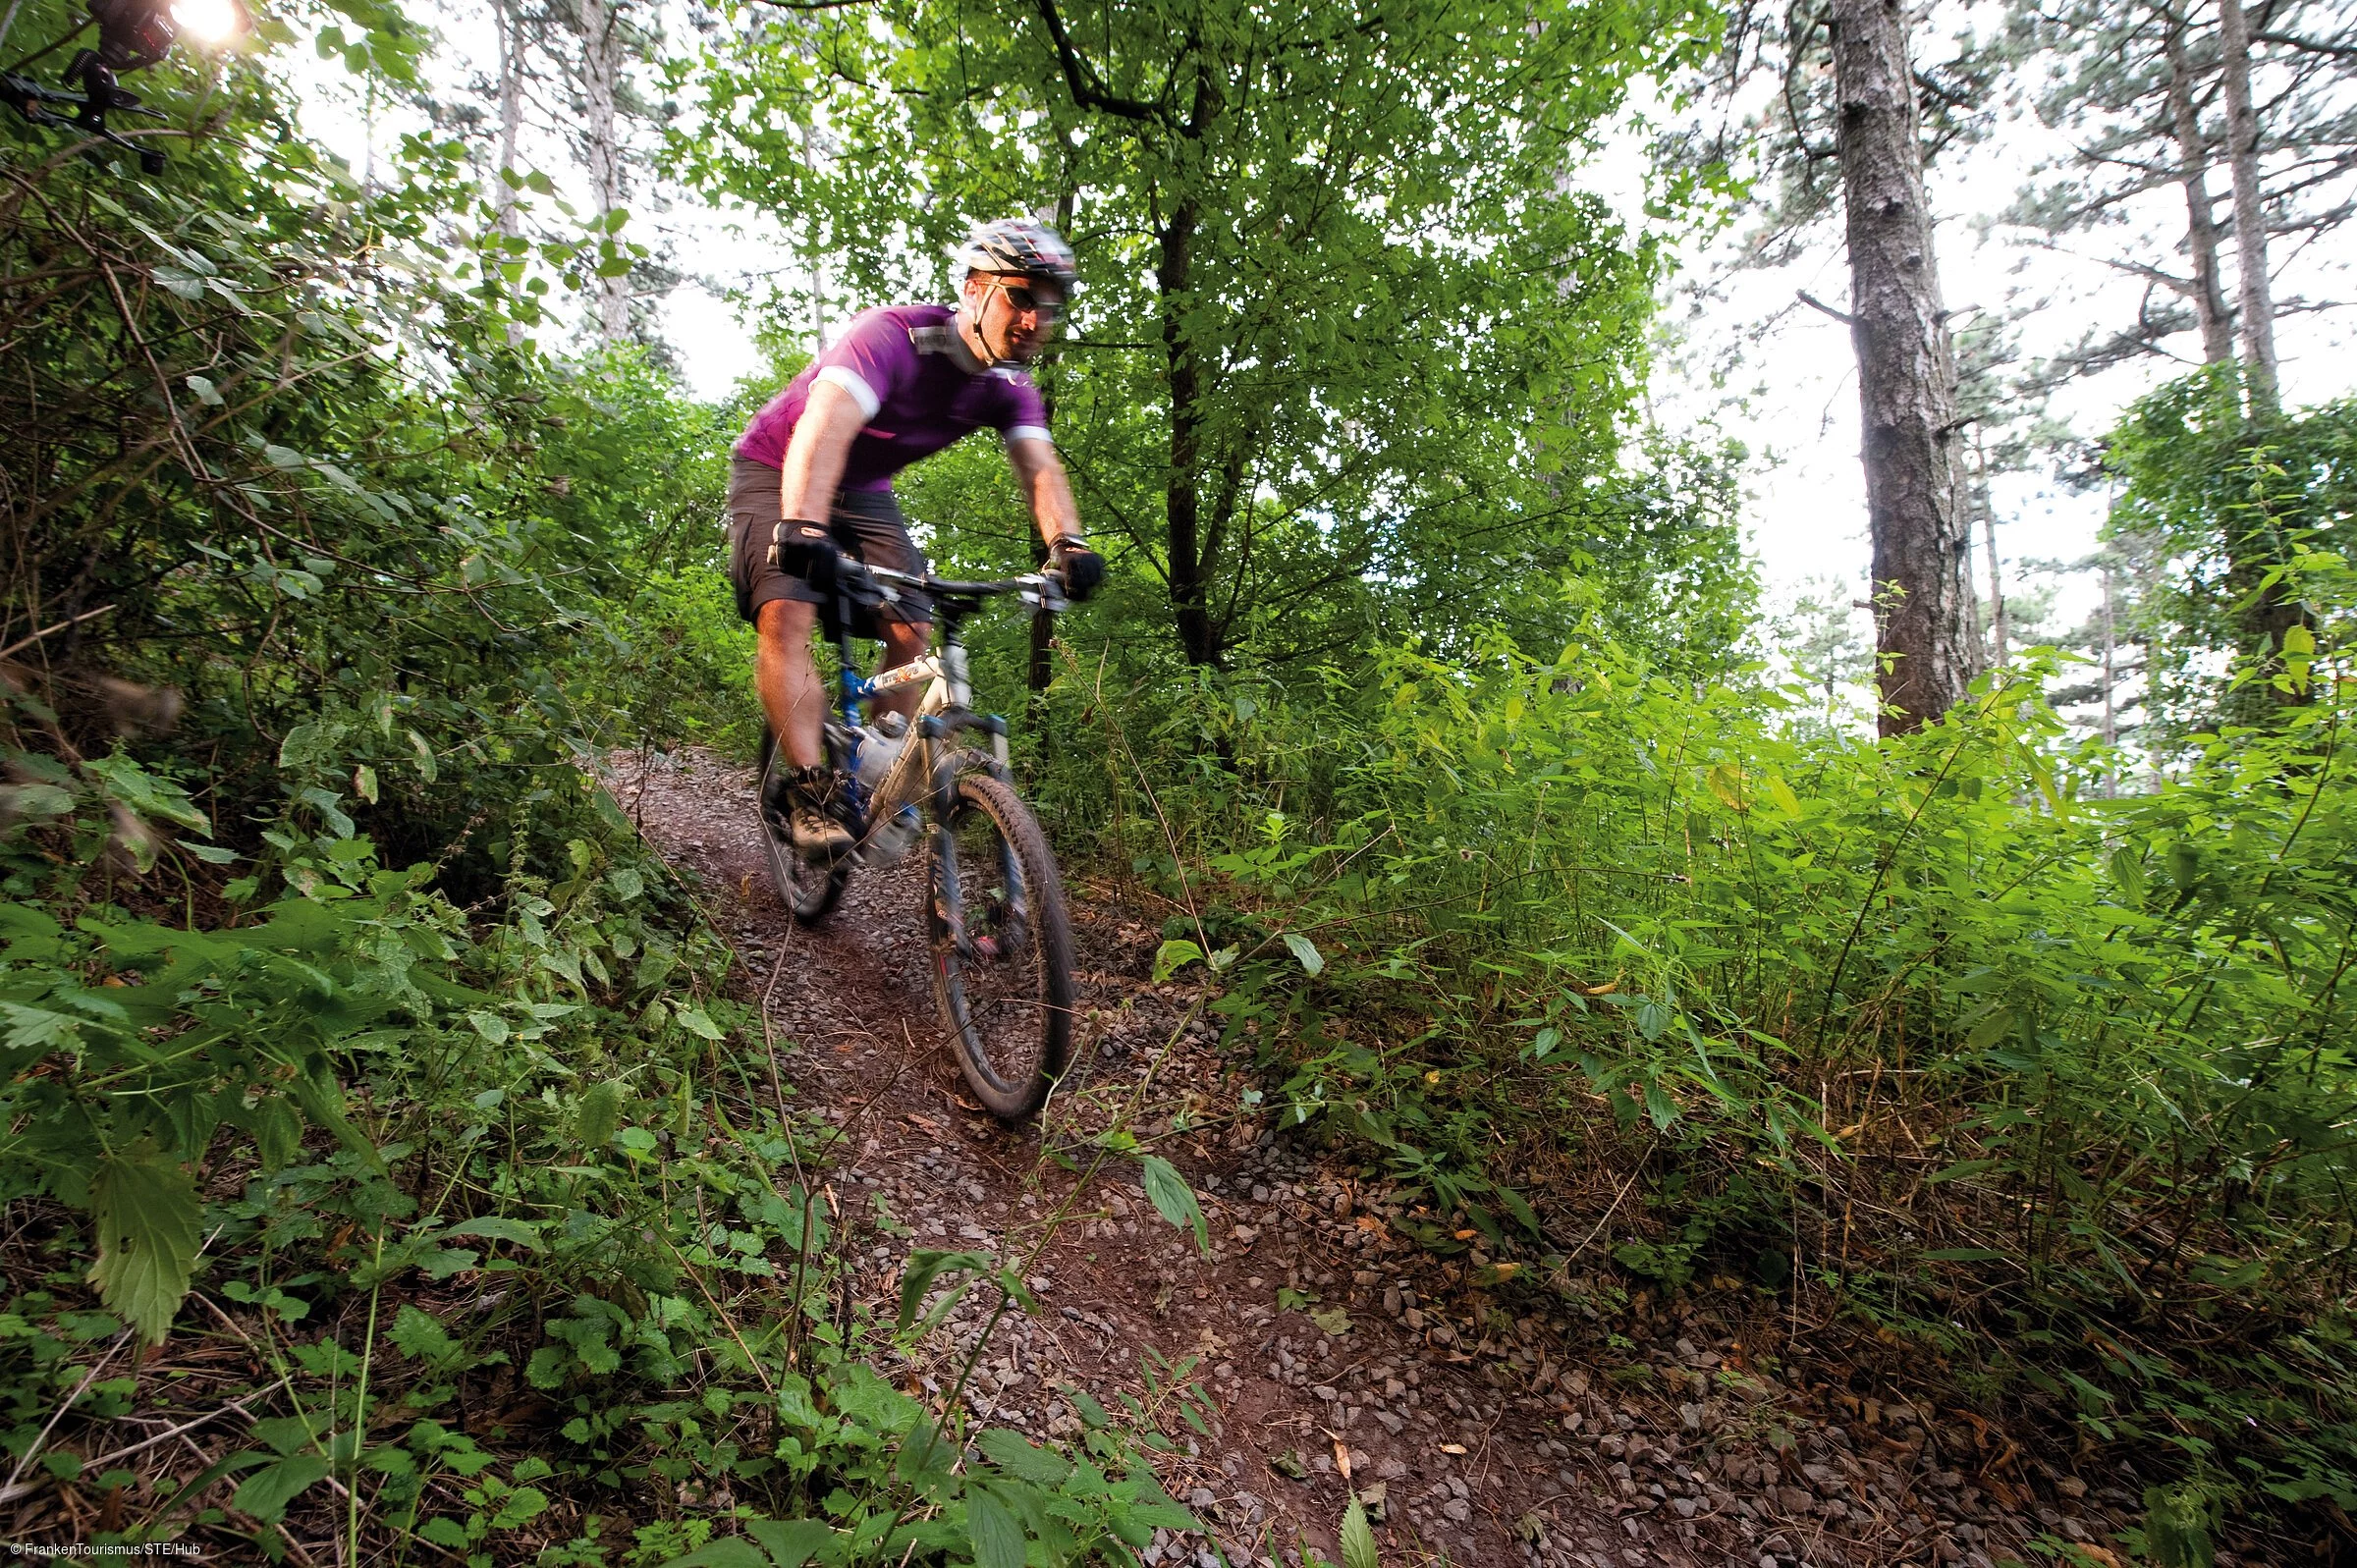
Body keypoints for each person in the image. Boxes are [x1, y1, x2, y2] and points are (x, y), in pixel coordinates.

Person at [726, 218, 1105, 859]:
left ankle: (873, 771)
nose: (1034, 320)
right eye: (1021, 297)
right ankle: (811, 789)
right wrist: (803, 529)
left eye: (1050, 308)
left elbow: (1040, 466)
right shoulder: (895, 339)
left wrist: (1068, 545)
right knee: (788, 611)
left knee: (914, 628)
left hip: (867, 487)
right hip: (779, 463)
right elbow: (824, 427)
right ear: (977, 288)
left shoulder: (1009, 388)